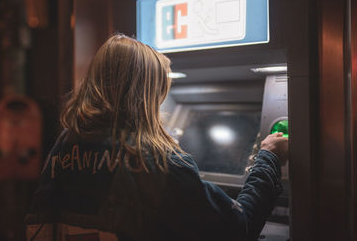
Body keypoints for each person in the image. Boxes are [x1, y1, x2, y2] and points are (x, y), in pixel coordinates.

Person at [25, 34, 288, 241]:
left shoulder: (66, 142)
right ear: (146, 96)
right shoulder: (159, 163)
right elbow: (238, 228)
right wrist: (268, 157)